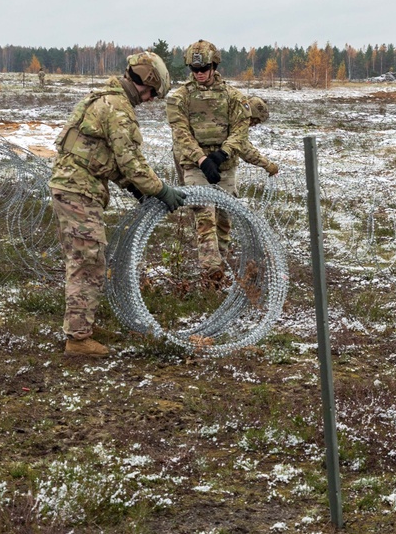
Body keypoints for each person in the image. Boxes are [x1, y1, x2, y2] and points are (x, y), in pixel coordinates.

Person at [49, 51, 186, 358]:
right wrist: (161, 190)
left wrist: (134, 189)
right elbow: (131, 162)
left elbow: (103, 158)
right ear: (145, 82)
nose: (151, 99)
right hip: (78, 191)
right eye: (152, 92)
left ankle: (83, 325)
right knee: (88, 261)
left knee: (86, 258)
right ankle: (78, 339)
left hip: (73, 187)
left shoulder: (104, 98)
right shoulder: (119, 110)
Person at [166, 39, 279, 283]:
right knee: (205, 218)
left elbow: (240, 132)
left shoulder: (234, 98)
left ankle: (220, 267)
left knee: (224, 222)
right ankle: (212, 275)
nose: (199, 74)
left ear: (214, 66)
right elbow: (181, 133)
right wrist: (202, 159)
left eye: (204, 68)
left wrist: (222, 154)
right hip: (195, 167)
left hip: (226, 168)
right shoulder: (179, 98)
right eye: (194, 70)